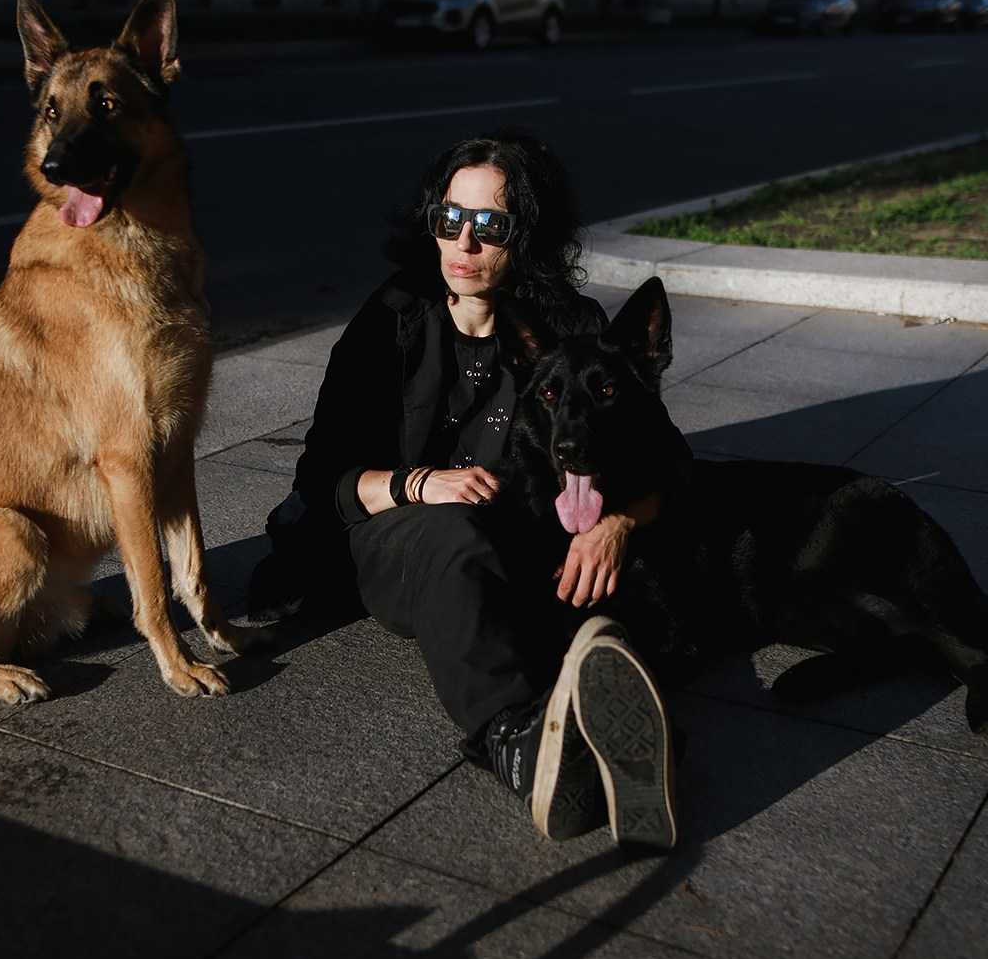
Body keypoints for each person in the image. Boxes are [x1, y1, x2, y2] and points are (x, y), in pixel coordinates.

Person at [248, 128, 685, 849]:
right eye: (450, 219)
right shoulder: (390, 319)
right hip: (395, 540)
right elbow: (322, 476)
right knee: (456, 535)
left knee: (608, 576)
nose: (465, 243)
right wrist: (421, 482)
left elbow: (667, 456)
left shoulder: (569, 327)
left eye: (491, 225)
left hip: (520, 544)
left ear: (527, 235)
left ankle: (635, 743)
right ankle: (513, 737)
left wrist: (618, 527)